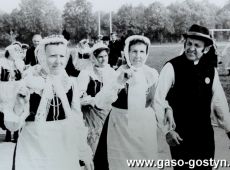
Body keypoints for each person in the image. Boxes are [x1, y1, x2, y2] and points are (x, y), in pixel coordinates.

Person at [2, 35, 94, 170]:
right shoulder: (28, 82)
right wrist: (19, 104)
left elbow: (76, 120)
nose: (58, 61)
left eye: (62, 56)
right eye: (52, 56)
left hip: (63, 143)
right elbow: (12, 126)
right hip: (34, 145)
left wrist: (84, 152)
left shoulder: (69, 83)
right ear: (42, 56)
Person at [154, 24, 230, 170]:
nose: (191, 48)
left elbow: (219, 103)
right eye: (189, 43)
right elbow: (158, 100)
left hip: (205, 136)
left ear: (206, 49)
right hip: (180, 137)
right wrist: (167, 131)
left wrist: (229, 129)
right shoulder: (171, 67)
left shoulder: (210, 70)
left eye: (197, 45)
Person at [93, 35, 171, 170]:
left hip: (145, 126)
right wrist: (119, 82)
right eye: (134, 51)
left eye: (142, 52)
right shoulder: (116, 73)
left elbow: (157, 102)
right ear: (127, 52)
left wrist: (167, 124)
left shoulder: (151, 74)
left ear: (146, 53)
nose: (138, 56)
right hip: (120, 126)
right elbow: (100, 102)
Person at [77, 43, 116, 154]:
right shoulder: (86, 73)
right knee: (94, 145)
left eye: (105, 56)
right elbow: (79, 94)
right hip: (91, 114)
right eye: (100, 57)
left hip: (109, 112)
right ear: (94, 58)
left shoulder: (113, 73)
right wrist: (89, 100)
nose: (103, 59)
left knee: (109, 145)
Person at [0, 43, 25, 142]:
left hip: (17, 88)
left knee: (17, 110)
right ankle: (8, 132)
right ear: (9, 52)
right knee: (7, 111)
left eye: (18, 52)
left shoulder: (19, 63)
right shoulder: (2, 62)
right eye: (15, 51)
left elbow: (22, 76)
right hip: (5, 88)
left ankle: (16, 133)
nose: (17, 53)